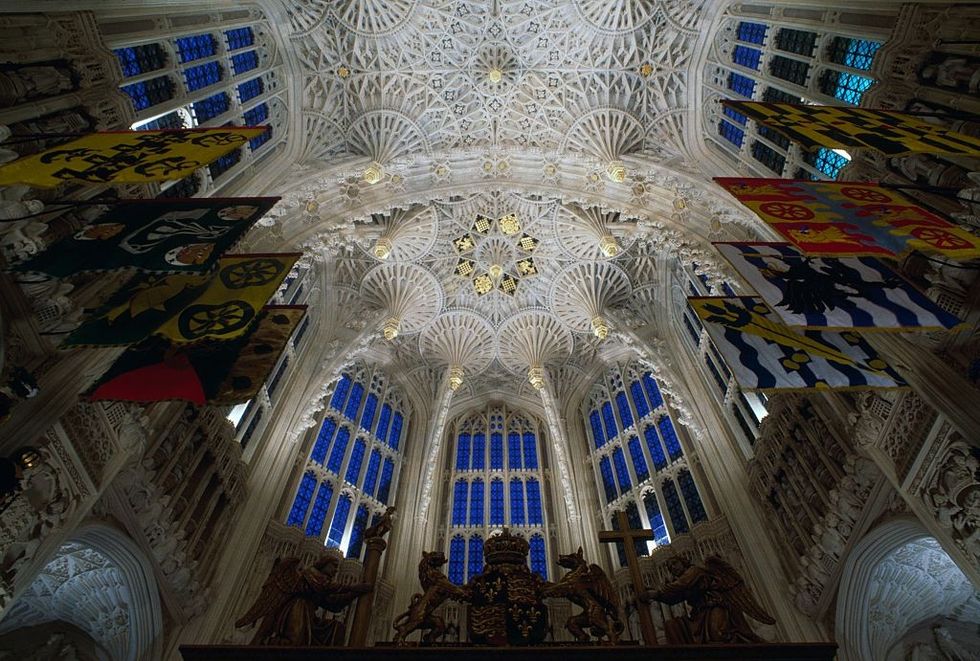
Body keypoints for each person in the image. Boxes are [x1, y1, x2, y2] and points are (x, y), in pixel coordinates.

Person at [648, 555, 775, 644]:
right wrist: (657, 596)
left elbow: (682, 584)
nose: (673, 568)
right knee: (673, 626)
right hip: (700, 614)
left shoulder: (694, 571)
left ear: (683, 562)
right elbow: (674, 599)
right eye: (670, 568)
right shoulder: (681, 582)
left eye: (674, 564)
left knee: (718, 634)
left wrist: (657, 593)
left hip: (715, 606)